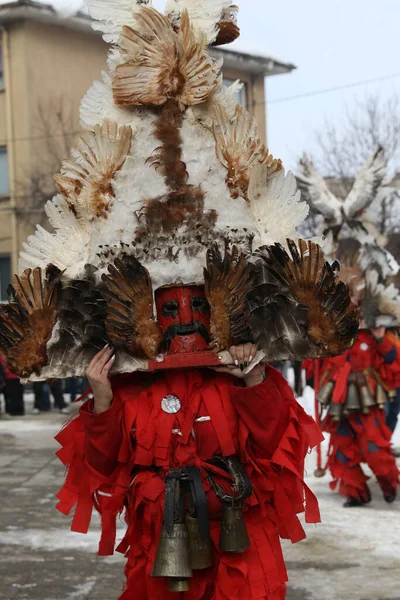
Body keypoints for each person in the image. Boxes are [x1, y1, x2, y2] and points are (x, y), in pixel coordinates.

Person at [56, 340, 323, 600]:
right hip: (159, 536)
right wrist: (103, 401)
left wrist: (253, 378)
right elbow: (105, 470)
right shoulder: (126, 387)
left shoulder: (236, 376)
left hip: (238, 530)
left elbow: (274, 454)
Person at [306, 327, 400, 507]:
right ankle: (357, 493)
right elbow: (313, 370)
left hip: (368, 405)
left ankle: (390, 486)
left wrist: (380, 338)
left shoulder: (375, 335)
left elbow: (393, 361)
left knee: (374, 450)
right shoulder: (331, 336)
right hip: (338, 406)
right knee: (342, 453)